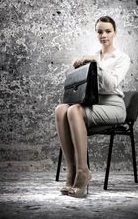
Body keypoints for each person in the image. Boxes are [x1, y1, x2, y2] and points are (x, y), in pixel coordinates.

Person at [54, 16, 130, 197]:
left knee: (74, 110)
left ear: (115, 33)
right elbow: (87, 88)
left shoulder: (122, 57)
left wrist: (96, 64)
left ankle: (83, 172)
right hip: (94, 104)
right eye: (100, 31)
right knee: (61, 109)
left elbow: (111, 86)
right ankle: (71, 170)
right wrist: (79, 68)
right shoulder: (94, 55)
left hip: (113, 106)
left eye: (108, 31)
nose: (104, 35)